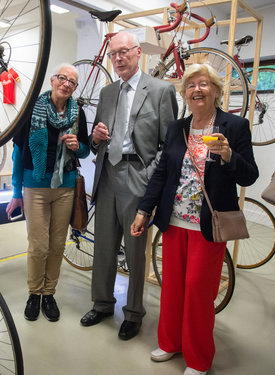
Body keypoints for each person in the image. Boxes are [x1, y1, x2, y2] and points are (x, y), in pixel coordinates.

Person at [130, 63, 258, 375]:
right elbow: (162, 173)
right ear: (185, 94)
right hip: (173, 223)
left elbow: (250, 175)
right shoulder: (178, 128)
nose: (196, 90)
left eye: (204, 84)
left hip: (207, 224)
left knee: (199, 291)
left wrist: (229, 156)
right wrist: (143, 210)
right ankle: (170, 342)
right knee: (172, 286)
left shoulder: (235, 126)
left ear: (216, 91)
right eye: (191, 85)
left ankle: (198, 357)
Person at [79, 31, 178, 341]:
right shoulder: (107, 93)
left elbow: (169, 144)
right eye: (113, 54)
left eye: (124, 51)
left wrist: (149, 178)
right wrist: (95, 139)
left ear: (138, 53)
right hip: (106, 174)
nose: (118, 58)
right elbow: (98, 139)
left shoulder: (161, 91)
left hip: (138, 175)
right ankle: (103, 303)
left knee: (135, 251)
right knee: (104, 246)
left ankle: (134, 313)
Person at [6, 63, 90, 322]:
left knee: (56, 246)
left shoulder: (78, 113)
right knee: (38, 246)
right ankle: (34, 293)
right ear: (53, 80)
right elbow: (19, 152)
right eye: (62, 78)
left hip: (65, 187)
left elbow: (86, 151)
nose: (66, 84)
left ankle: (49, 293)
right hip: (36, 186)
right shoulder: (33, 109)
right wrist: (16, 191)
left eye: (72, 81)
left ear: (75, 88)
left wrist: (78, 146)